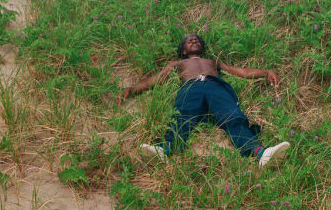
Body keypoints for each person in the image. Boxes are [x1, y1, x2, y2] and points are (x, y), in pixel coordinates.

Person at [121, 33, 290, 167]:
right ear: (184, 51)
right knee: (182, 116)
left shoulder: (212, 62)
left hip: (214, 86)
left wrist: (265, 72)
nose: (193, 40)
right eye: (189, 40)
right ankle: (164, 150)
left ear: (202, 47)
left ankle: (260, 153)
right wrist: (131, 89)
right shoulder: (177, 64)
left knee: (232, 116)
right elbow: (156, 79)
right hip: (191, 87)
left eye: (196, 39)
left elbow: (241, 71)